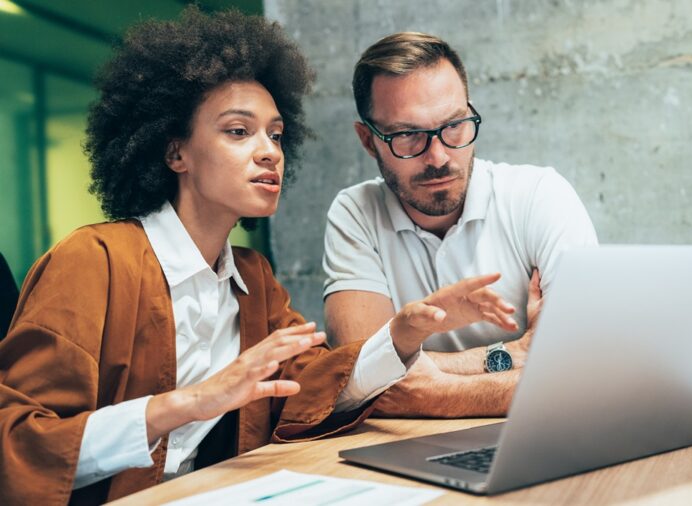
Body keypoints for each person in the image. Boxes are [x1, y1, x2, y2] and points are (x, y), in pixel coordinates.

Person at [0, 12, 516, 505]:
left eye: (275, 133)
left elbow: (311, 388)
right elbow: (18, 445)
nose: (269, 151)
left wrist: (402, 333)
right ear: (174, 152)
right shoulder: (92, 261)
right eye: (238, 131)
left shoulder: (252, 277)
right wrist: (189, 403)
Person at [324, 32, 598, 418]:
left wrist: (437, 392)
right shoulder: (356, 212)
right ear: (368, 140)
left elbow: (587, 369)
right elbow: (356, 378)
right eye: (407, 135)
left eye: (454, 126)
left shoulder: (539, 195)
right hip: (407, 448)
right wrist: (516, 353)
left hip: (537, 432)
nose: (438, 157)